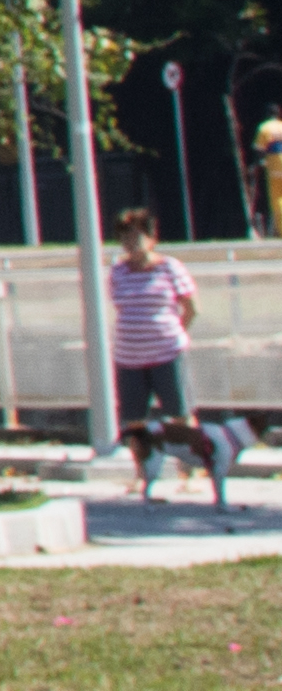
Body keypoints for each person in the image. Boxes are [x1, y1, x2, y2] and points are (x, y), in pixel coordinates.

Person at [108, 209, 222, 505]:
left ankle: (191, 472)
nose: (130, 243)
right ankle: (143, 473)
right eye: (124, 237)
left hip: (167, 353)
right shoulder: (118, 272)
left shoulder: (170, 268)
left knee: (180, 414)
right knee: (135, 420)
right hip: (129, 357)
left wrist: (174, 333)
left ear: (151, 238)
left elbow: (191, 307)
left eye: (136, 236)